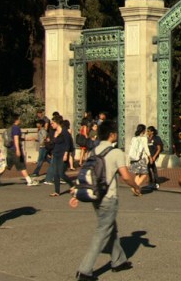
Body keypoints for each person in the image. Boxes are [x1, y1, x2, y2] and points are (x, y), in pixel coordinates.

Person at [74, 120, 141, 281]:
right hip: (109, 197)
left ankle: (119, 261)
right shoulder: (116, 152)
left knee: (110, 228)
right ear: (112, 134)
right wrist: (136, 186)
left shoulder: (93, 151)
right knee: (103, 231)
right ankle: (84, 270)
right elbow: (125, 176)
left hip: (95, 195)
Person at [5, 114, 39, 186]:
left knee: (8, 165)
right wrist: (18, 150)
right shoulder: (16, 128)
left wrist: (27, 139)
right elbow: (16, 139)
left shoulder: (11, 128)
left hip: (10, 149)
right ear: (16, 120)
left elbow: (17, 138)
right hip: (15, 149)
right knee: (21, 165)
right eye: (19, 119)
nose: (20, 120)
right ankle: (29, 181)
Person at [50, 116, 75, 197]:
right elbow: (54, 143)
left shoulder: (65, 132)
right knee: (55, 173)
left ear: (57, 123)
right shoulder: (55, 132)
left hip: (62, 155)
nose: (51, 124)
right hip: (56, 154)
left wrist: (66, 154)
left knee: (61, 173)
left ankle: (72, 185)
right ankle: (57, 191)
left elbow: (68, 144)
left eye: (53, 123)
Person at [127, 125, 150, 193]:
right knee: (144, 174)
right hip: (141, 158)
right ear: (143, 130)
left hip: (133, 158)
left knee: (137, 174)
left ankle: (136, 190)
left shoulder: (133, 138)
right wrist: (149, 156)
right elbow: (146, 148)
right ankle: (135, 186)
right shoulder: (144, 138)